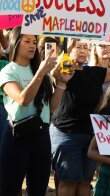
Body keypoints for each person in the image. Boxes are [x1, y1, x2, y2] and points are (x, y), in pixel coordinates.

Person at [50, 39, 110, 196]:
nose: (82, 50)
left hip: (90, 134)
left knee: (85, 182)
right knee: (69, 182)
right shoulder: (64, 71)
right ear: (70, 50)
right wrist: (67, 51)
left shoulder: (95, 72)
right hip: (67, 133)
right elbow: (54, 73)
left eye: (86, 47)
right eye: (78, 47)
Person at [0, 27, 72, 195]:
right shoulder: (8, 71)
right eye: (27, 41)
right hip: (17, 137)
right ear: (15, 44)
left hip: (41, 136)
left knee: (38, 190)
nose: (32, 46)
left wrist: (62, 83)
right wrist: (41, 70)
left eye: (34, 42)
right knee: (9, 189)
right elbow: (23, 100)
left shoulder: (43, 74)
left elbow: (51, 108)